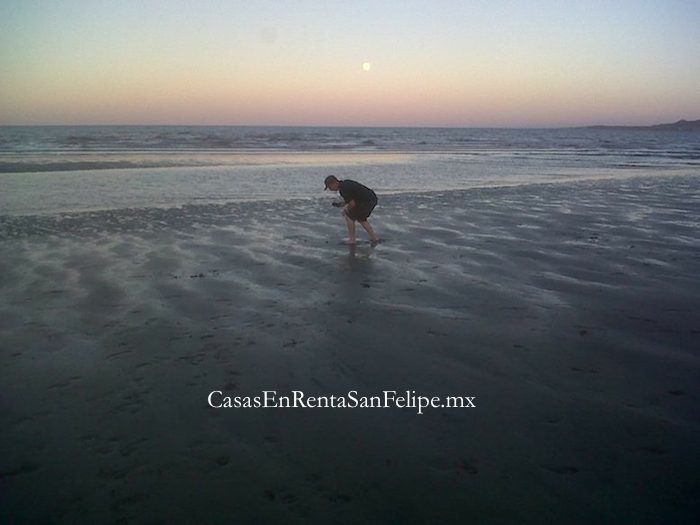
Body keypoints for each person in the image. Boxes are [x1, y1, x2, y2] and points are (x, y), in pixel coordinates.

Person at [324, 175, 379, 244]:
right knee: (361, 218)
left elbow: (352, 204)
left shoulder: (343, 189)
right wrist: (341, 205)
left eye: (330, 187)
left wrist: (346, 210)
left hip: (367, 201)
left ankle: (352, 240)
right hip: (370, 198)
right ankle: (374, 238)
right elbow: (351, 200)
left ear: (334, 183)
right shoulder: (345, 183)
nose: (330, 189)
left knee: (350, 217)